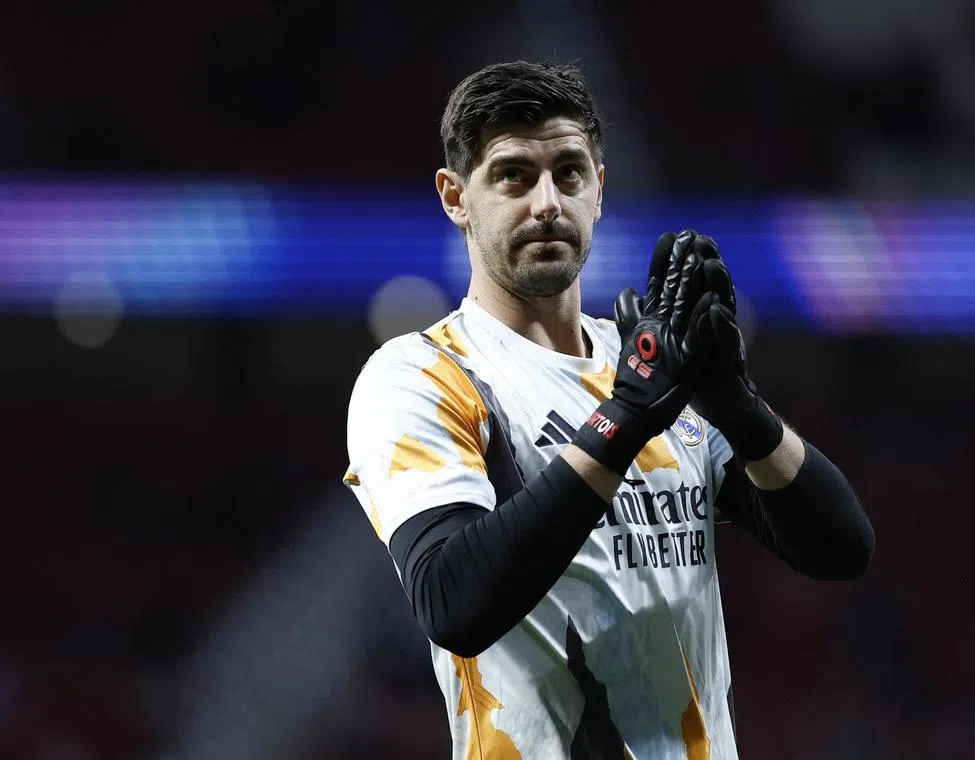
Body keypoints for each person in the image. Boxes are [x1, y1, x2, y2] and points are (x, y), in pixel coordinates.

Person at [343, 60, 875, 760]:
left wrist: (737, 407)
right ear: (454, 197)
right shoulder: (422, 376)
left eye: (569, 173)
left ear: (599, 190)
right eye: (512, 175)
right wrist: (625, 416)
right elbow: (454, 602)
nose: (547, 203)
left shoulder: (652, 364)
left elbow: (841, 548)